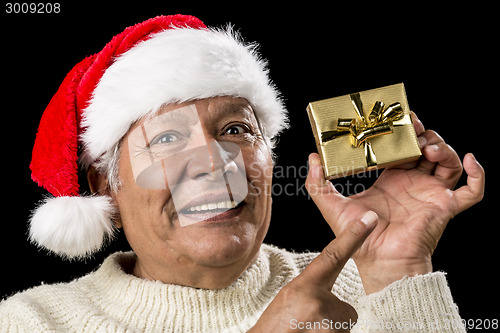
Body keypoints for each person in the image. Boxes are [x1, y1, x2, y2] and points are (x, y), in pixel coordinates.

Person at [0, 14, 484, 332]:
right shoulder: (31, 323)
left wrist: (397, 273)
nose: (214, 162)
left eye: (235, 129)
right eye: (167, 139)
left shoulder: (367, 287)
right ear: (107, 184)